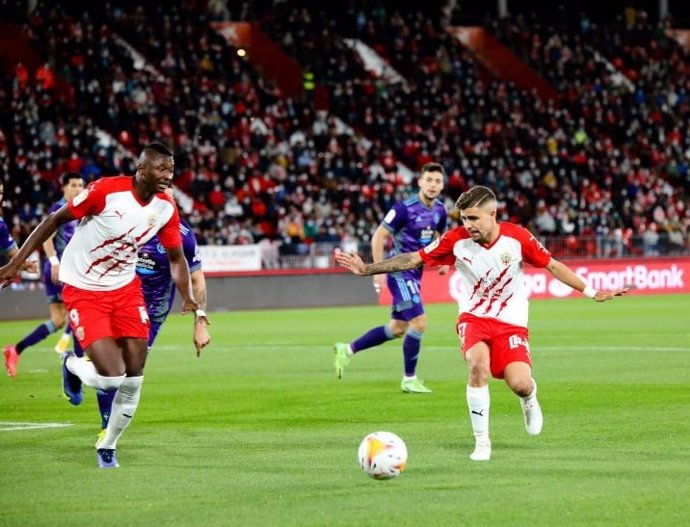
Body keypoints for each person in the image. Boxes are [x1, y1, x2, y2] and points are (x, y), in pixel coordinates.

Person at [335, 185, 629, 461]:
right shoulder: (454, 240)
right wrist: (368, 269)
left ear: (493, 215)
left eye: (473, 218)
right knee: (478, 365)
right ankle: (482, 442)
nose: (468, 225)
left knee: (521, 384)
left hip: (512, 322)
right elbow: (414, 258)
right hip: (473, 318)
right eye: (464, 219)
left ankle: (529, 399)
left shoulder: (518, 238)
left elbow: (553, 265)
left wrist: (591, 292)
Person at [0, 142, 210, 469]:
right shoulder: (106, 192)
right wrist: (15, 265)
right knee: (110, 377)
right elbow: (52, 221)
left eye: (171, 170)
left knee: (134, 376)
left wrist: (190, 299)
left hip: (125, 289)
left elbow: (177, 258)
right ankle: (71, 363)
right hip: (83, 286)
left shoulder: (167, 207)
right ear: (142, 171)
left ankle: (107, 445)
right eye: (161, 169)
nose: (168, 176)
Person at [334, 162, 449, 393]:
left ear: (442, 185)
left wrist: (443, 260)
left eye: (437, 181)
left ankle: (346, 350)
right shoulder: (404, 208)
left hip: (416, 274)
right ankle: (409, 379)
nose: (433, 185)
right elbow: (378, 236)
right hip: (399, 272)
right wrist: (377, 272)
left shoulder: (440, 211)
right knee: (420, 322)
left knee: (397, 328)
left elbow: (440, 235)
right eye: (429, 180)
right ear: (420, 182)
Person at [93, 215, 209, 443]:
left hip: (152, 314)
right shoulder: (126, 220)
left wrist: (200, 323)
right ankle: (106, 427)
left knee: (129, 372)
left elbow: (198, 280)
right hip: (119, 302)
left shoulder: (183, 236)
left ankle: (76, 368)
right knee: (110, 368)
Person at [4, 172, 84, 379]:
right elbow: (47, 236)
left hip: (63, 270)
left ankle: (16, 349)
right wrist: (54, 262)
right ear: (64, 188)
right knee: (80, 311)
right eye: (74, 185)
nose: (78, 189)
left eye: (81, 185)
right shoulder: (60, 209)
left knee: (58, 320)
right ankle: (77, 367)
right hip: (60, 271)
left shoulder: (79, 209)